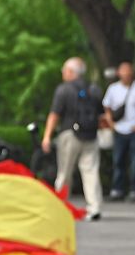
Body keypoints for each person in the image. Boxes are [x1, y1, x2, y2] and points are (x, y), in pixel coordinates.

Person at [42, 57, 104, 220]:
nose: (63, 72)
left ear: (71, 72)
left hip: (70, 134)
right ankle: (94, 207)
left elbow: (54, 115)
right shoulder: (94, 89)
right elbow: (102, 115)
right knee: (91, 171)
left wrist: (47, 136)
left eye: (64, 70)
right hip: (91, 134)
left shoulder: (63, 90)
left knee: (65, 172)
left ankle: (60, 205)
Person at [103, 61, 135, 203]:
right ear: (119, 73)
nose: (126, 74)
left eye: (128, 71)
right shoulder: (113, 89)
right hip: (119, 130)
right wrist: (111, 123)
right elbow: (106, 107)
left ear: (132, 72)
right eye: (123, 71)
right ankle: (117, 190)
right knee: (118, 161)